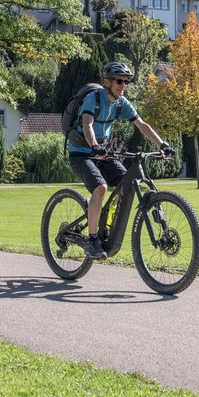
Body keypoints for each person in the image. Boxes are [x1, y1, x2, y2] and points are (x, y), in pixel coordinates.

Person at [67, 61, 173, 260]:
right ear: (107, 82)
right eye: (119, 81)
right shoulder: (93, 98)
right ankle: (92, 240)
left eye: (126, 81)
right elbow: (87, 125)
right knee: (100, 188)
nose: (123, 85)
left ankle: (103, 221)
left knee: (126, 184)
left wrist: (162, 145)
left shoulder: (121, 103)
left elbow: (142, 125)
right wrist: (94, 145)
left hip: (104, 153)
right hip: (82, 153)